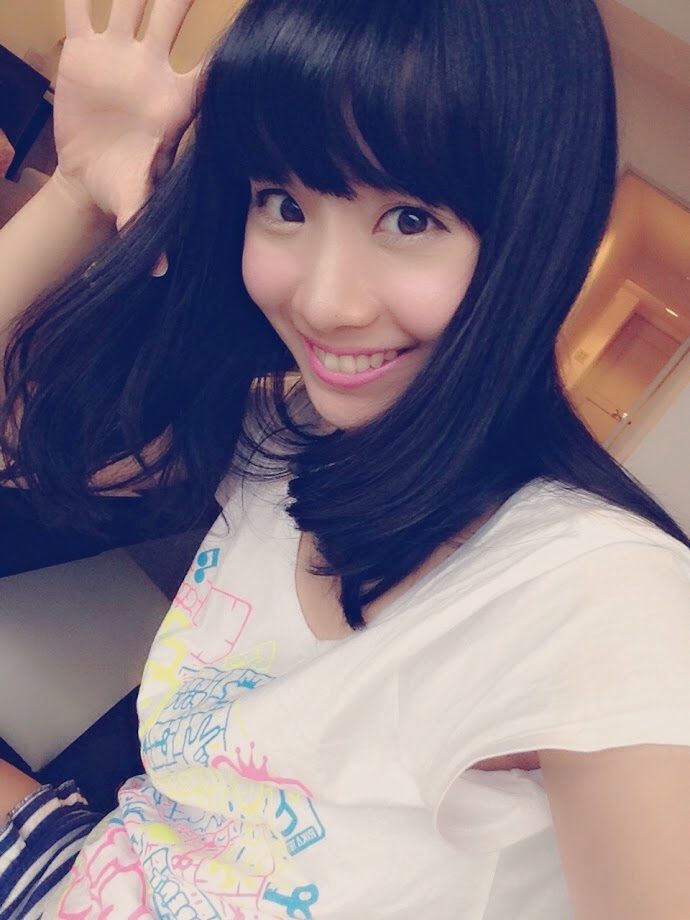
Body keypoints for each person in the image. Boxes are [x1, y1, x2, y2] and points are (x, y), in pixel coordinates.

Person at [0, 0, 689, 916]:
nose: (325, 302)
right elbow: (27, 435)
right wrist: (78, 193)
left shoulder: (602, 597)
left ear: (537, 232)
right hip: (89, 869)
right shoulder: (291, 434)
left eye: (410, 219)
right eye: (285, 205)